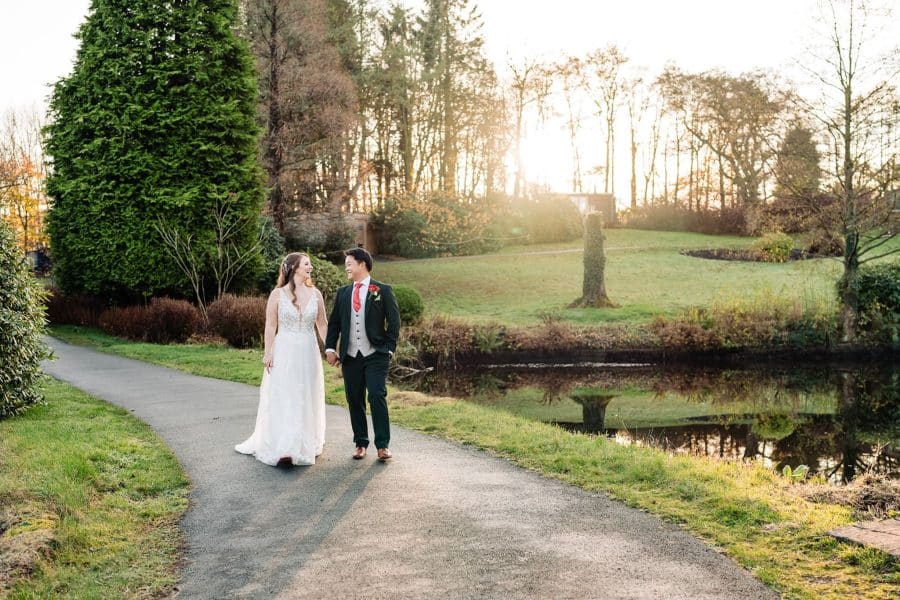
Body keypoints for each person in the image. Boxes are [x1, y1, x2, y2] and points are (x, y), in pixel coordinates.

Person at [235, 252, 328, 466]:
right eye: (307, 264)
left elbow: (322, 324)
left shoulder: (316, 294)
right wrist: (268, 352)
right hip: (285, 350)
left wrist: (330, 349)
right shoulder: (277, 294)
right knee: (286, 395)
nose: (310, 267)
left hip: (308, 351)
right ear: (294, 268)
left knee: (306, 394)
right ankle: (285, 448)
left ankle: (304, 442)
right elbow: (270, 325)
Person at [325, 247, 400, 462]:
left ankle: (383, 445)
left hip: (376, 354)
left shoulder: (382, 290)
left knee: (377, 395)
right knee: (354, 399)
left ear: (362, 264)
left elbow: (394, 323)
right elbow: (335, 324)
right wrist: (330, 348)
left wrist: (389, 348)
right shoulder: (343, 293)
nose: (346, 267)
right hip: (350, 356)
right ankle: (360, 443)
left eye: (349, 263)